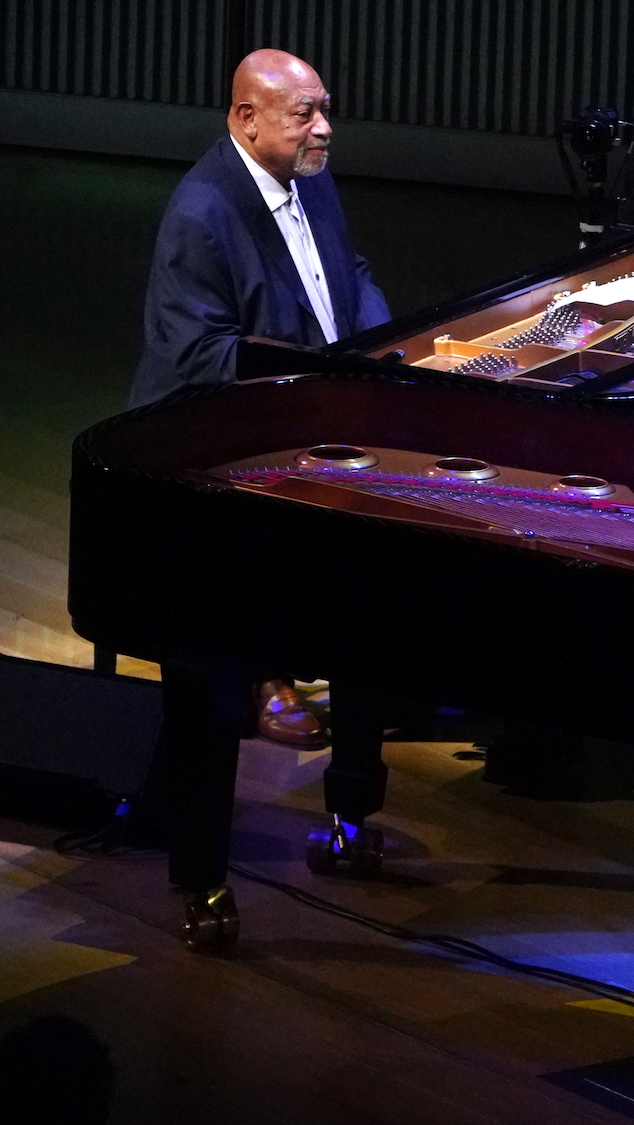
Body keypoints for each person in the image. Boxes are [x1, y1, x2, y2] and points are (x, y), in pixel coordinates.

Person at [130, 48, 392, 746]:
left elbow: (351, 271)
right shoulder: (202, 214)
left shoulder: (311, 177)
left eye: (325, 109)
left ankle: (363, 655)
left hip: (308, 399)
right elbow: (200, 357)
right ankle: (256, 673)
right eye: (305, 114)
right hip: (204, 431)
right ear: (247, 119)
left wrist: (379, 350)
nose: (325, 128)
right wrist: (312, 383)